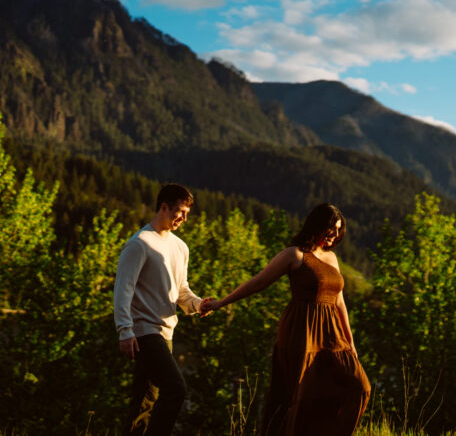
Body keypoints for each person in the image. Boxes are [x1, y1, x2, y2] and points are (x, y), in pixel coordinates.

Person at [201, 203, 371, 436]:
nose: (334, 236)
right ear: (317, 225)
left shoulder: (332, 258)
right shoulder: (295, 255)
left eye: (338, 231)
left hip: (332, 336)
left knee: (359, 386)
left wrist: (350, 343)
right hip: (301, 332)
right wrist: (221, 303)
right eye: (331, 229)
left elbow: (339, 301)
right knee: (298, 396)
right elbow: (259, 282)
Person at [113, 183, 212, 436]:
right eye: (180, 211)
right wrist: (125, 330)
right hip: (144, 332)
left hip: (165, 333)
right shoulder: (139, 243)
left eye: (187, 213)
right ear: (163, 207)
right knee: (176, 389)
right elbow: (123, 289)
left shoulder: (180, 247)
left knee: (144, 402)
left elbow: (181, 291)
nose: (184, 218)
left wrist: (199, 304)